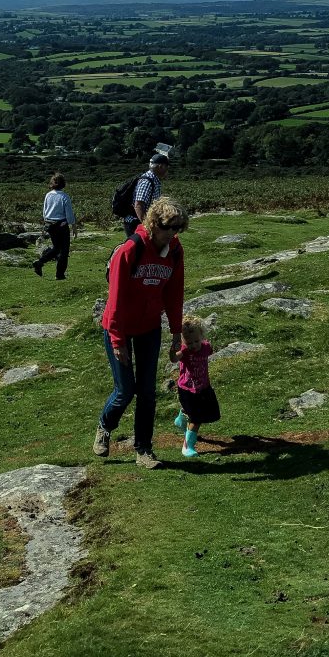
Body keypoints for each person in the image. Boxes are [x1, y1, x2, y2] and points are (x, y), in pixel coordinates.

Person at [96, 196, 188, 469]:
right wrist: (117, 341)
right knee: (125, 390)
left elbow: (174, 294)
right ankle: (105, 426)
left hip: (149, 327)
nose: (172, 234)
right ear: (153, 222)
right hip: (119, 327)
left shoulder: (174, 251)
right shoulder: (130, 250)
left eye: (178, 229)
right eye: (168, 227)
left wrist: (175, 334)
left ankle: (144, 450)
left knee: (147, 391)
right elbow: (115, 301)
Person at [173, 316, 221, 458]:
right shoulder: (184, 352)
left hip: (203, 387)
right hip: (187, 389)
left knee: (207, 411)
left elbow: (209, 349)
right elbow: (174, 359)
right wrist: (174, 348)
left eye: (196, 341)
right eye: (189, 342)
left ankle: (181, 419)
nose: (193, 345)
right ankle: (188, 447)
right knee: (196, 418)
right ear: (183, 341)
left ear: (202, 337)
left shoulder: (205, 347)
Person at [33, 172, 76, 280]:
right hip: (61, 225)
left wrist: (46, 221)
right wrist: (73, 225)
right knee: (64, 251)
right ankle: (60, 274)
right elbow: (69, 214)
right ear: (63, 184)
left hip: (49, 224)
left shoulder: (48, 195)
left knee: (56, 248)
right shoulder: (64, 197)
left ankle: (40, 262)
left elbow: (44, 211)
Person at [123, 152, 169, 239]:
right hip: (135, 222)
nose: (167, 170)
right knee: (138, 249)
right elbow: (139, 205)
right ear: (161, 166)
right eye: (166, 167)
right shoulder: (147, 181)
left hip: (141, 221)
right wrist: (145, 224)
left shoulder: (154, 180)